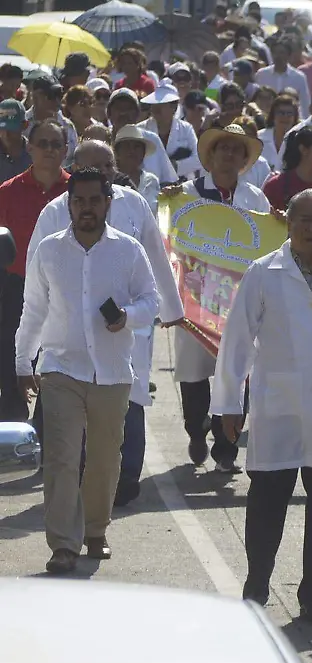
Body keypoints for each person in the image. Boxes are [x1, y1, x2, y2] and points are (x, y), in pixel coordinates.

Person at [213, 188, 312, 623]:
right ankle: (257, 581)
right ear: (288, 223)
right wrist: (230, 403)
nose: (310, 227)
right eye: (302, 218)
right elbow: (237, 341)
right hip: (277, 404)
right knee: (268, 499)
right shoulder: (264, 272)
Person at [16, 168, 159, 574]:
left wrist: (127, 317)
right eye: (79, 201)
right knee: (61, 457)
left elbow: (152, 300)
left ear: (108, 202)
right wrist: (22, 361)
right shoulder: (48, 250)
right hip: (61, 368)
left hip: (112, 372)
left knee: (103, 457)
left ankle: (95, 530)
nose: (86, 209)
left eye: (95, 201)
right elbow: (34, 309)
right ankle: (63, 544)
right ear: (68, 204)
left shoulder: (128, 250)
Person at [27, 139, 184, 506]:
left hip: (128, 324)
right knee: (77, 406)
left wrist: (172, 311)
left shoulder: (135, 205)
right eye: (91, 167)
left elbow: (156, 258)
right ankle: (85, 479)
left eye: (107, 167)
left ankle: (125, 477)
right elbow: (38, 272)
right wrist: (33, 341)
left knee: (131, 395)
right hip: (71, 331)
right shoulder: (55, 211)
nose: (101, 174)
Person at [176, 123, 272, 472]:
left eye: (237, 150)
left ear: (245, 159)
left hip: (240, 298)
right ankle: (196, 428)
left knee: (238, 371)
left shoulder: (256, 198)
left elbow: (265, 242)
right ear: (211, 154)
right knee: (194, 373)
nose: (229, 155)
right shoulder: (186, 193)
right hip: (195, 296)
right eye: (223, 148)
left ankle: (226, 450)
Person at [0, 120, 70, 422]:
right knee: (10, 353)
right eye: (43, 143)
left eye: (56, 144)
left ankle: (46, 426)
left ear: (66, 150)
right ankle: (13, 423)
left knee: (55, 359)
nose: (49, 150)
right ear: (30, 148)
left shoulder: (79, 191)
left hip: (63, 289)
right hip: (16, 287)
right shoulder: (7, 192)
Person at [107, 88, 176, 184]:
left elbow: (169, 180)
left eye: (129, 109)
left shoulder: (152, 139)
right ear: (109, 114)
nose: (123, 113)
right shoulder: (101, 140)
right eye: (118, 108)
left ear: (137, 114)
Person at [138, 84, 202, 178]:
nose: (156, 108)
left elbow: (199, 159)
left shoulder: (186, 128)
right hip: (150, 183)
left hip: (182, 184)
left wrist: (175, 166)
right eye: (154, 104)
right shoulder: (141, 128)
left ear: (174, 108)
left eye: (162, 104)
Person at [256, 43, 310, 117]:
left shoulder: (299, 77)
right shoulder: (262, 74)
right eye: (275, 52)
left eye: (282, 53)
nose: (278, 56)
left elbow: (305, 104)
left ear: (289, 55)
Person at [257, 94, 299, 172]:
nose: (285, 117)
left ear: (295, 117)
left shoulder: (300, 141)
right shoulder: (258, 138)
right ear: (273, 115)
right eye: (281, 113)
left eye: (289, 113)